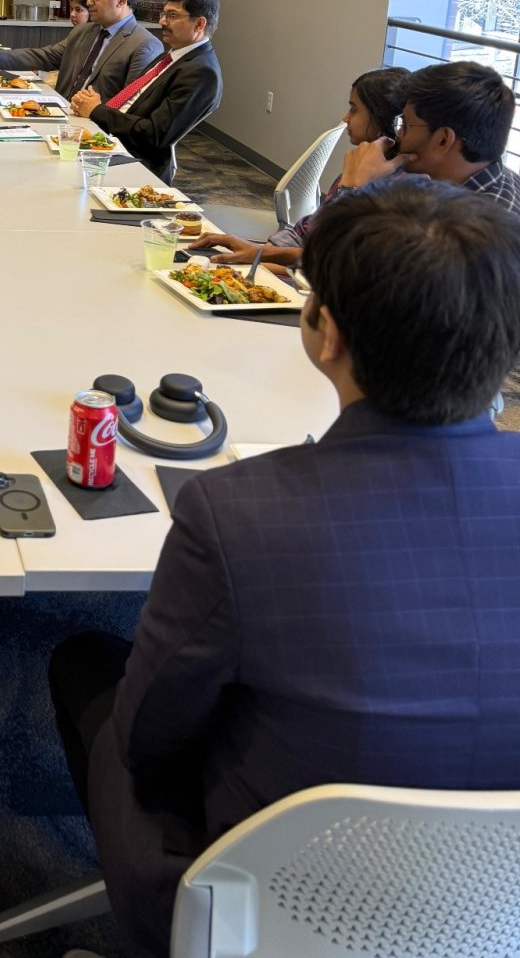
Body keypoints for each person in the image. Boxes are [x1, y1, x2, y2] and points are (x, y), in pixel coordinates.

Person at [49, 179, 520, 958]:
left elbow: (149, 736)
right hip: (493, 914)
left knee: (85, 666)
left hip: (265, 905)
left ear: (324, 332)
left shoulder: (236, 514)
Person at [195, 65, 410, 265]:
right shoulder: (365, 163)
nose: (345, 118)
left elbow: (332, 255)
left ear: (385, 119)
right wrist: (263, 249)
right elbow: (311, 227)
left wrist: (261, 256)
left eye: (354, 109)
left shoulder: (397, 186)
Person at [69, 0, 222, 181]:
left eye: (172, 16)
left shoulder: (202, 72)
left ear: (199, 24)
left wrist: (98, 111)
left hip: (137, 164)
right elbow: (133, 106)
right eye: (164, 14)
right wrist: (97, 106)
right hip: (114, 142)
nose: (162, 21)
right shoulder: (172, 57)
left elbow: (154, 135)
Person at [335, 60, 520, 211]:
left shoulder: (473, 232)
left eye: (406, 125)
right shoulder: (485, 177)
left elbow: (328, 254)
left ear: (443, 140)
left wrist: (352, 187)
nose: (398, 135)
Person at [0, 0, 161, 103]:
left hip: (96, 127)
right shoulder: (84, 31)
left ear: (121, 0)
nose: (89, 2)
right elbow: (44, 56)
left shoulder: (144, 44)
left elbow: (130, 103)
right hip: (59, 110)